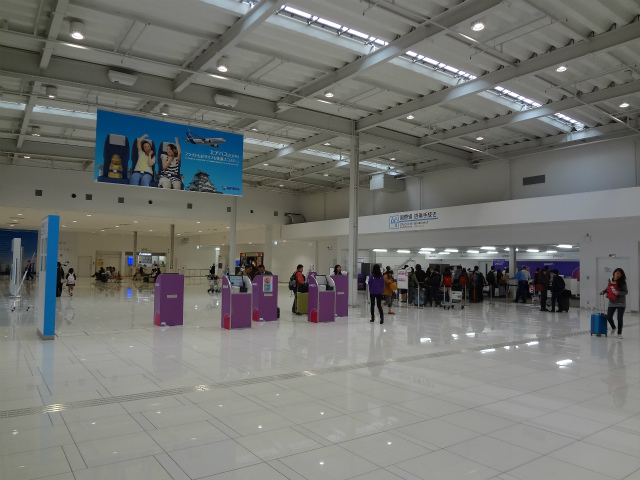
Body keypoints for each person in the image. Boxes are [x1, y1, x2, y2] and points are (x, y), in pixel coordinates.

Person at [601, 268, 628, 339]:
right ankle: (613, 327)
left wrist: (618, 293)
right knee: (609, 317)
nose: (618, 275)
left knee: (619, 318)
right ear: (614, 273)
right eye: (617, 273)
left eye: (620, 274)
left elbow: (626, 292)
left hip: (621, 303)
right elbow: (608, 288)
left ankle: (619, 333)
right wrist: (603, 291)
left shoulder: (623, 282)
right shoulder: (610, 280)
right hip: (612, 301)